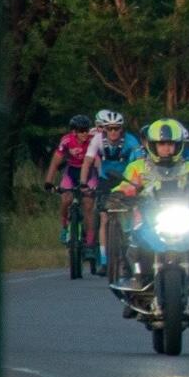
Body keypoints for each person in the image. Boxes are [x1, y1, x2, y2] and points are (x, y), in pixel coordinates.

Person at [112, 120, 189, 318]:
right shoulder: (138, 167)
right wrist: (120, 193)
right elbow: (125, 186)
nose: (166, 148)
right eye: (161, 144)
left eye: (171, 144)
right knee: (132, 243)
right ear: (152, 145)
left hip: (185, 216)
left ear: (178, 146)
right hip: (148, 220)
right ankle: (134, 288)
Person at [80, 110, 143, 273]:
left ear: (121, 129)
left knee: (129, 214)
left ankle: (129, 254)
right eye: (109, 129)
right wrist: (82, 183)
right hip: (106, 180)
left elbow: (139, 165)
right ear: (104, 129)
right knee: (104, 217)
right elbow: (87, 162)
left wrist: (138, 184)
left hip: (126, 181)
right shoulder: (97, 140)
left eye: (116, 128)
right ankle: (104, 260)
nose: (113, 132)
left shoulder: (131, 141)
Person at [44, 114, 98, 251]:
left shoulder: (92, 141)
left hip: (88, 172)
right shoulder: (66, 140)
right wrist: (48, 182)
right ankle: (64, 226)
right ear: (74, 131)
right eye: (81, 131)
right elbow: (55, 162)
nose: (85, 133)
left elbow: (97, 162)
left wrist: (99, 182)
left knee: (88, 205)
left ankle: (90, 241)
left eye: (87, 130)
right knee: (65, 199)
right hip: (71, 171)